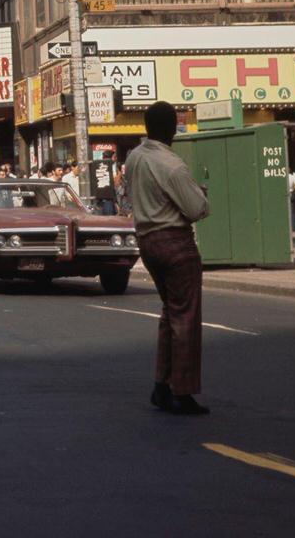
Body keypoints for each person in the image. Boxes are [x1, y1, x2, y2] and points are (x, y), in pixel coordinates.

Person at [124, 101, 210, 417]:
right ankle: (181, 391)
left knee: (169, 314)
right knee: (185, 318)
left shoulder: (134, 157)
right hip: (175, 242)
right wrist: (200, 194)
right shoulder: (172, 165)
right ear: (172, 127)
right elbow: (196, 209)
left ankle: (161, 385)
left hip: (147, 241)